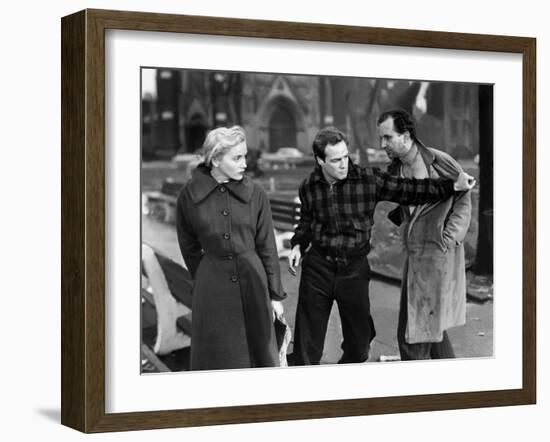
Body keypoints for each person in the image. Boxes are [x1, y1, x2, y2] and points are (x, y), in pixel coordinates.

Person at [287, 126, 475, 366]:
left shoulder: (368, 180)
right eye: (336, 160)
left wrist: (451, 186)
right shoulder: (308, 186)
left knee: (360, 346)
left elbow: (412, 190)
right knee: (306, 350)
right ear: (320, 161)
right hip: (318, 269)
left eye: (346, 156)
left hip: (353, 270)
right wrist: (297, 245)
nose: (344, 164)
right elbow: (306, 222)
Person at [176, 126, 286, 370]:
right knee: (218, 358)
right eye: (236, 157)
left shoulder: (256, 194)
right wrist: (207, 275)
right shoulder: (189, 196)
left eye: (245, 155)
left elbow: (267, 245)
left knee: (260, 357)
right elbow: (189, 245)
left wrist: (275, 294)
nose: (244, 163)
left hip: (254, 283)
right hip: (212, 290)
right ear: (215, 159)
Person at [378, 109, 472, 360]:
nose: (382, 144)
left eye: (387, 138)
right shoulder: (395, 171)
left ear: (406, 135)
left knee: (413, 334)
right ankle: (455, 387)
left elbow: (464, 198)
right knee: (430, 328)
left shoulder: (440, 162)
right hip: (414, 256)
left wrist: (449, 237)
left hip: (438, 255)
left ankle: (418, 390)